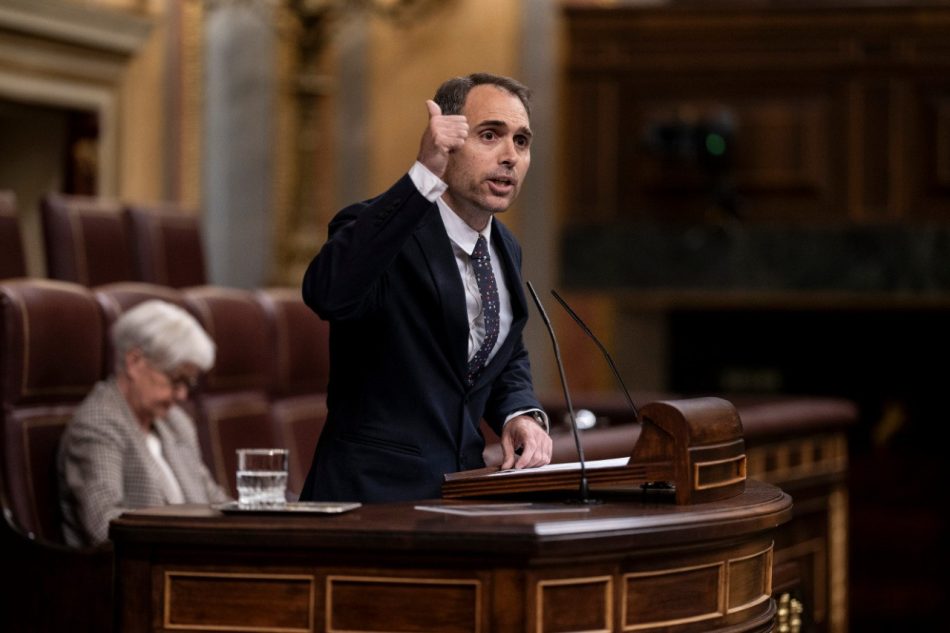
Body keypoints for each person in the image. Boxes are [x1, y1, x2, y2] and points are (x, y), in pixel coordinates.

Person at [299, 72, 553, 503]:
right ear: (446, 140)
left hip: (458, 497)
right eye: (490, 135)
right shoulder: (381, 230)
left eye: (522, 141)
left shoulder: (505, 246)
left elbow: (502, 351)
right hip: (370, 499)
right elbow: (327, 294)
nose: (510, 156)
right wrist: (423, 176)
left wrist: (519, 413)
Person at [58, 300, 230, 547]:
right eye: (175, 379)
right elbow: (103, 525)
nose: (182, 395)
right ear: (134, 362)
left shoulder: (176, 422)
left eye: (188, 383)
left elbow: (213, 499)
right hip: (133, 576)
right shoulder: (98, 424)